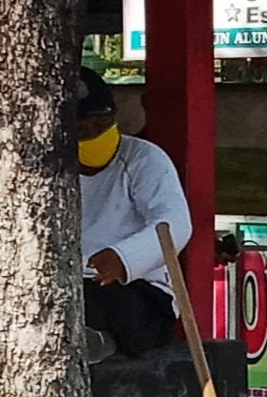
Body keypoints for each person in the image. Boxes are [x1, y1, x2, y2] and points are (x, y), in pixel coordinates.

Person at [76, 67, 191, 360]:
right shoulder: (51, 163)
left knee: (123, 308)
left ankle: (102, 341)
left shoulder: (144, 158)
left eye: (101, 121)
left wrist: (125, 258)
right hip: (77, 282)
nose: (92, 131)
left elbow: (174, 223)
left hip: (139, 286)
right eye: (81, 124)